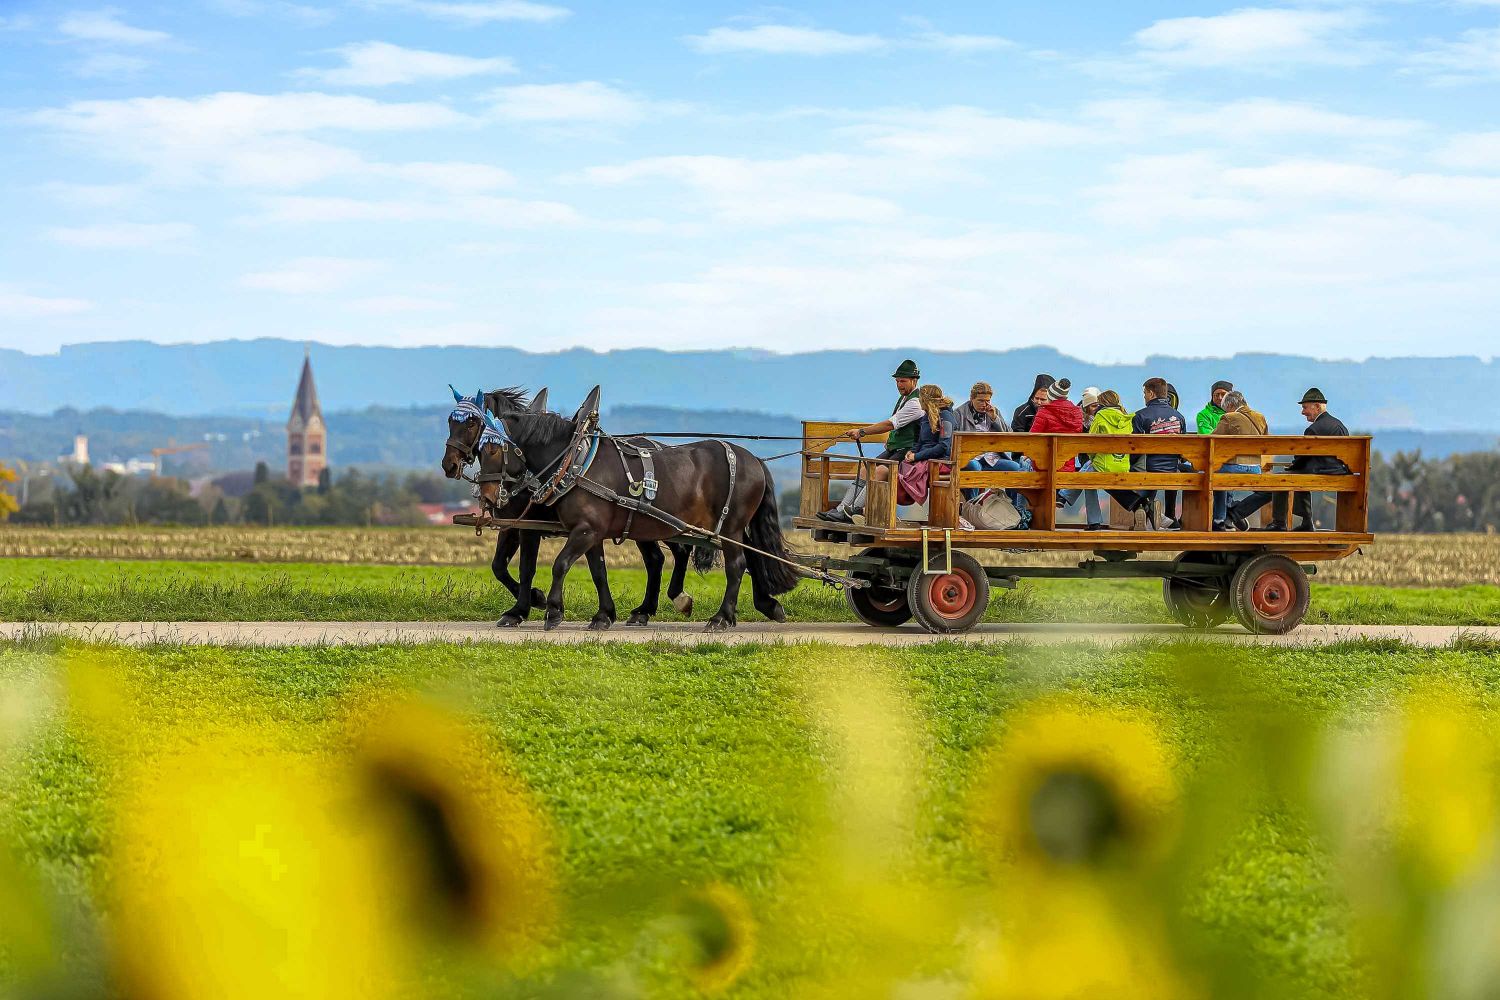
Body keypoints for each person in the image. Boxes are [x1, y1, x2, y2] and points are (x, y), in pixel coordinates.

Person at [1227, 388, 1349, 532]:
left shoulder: (1314, 429)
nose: (1302, 412)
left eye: (1305, 407)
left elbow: (1303, 457)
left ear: (1317, 406)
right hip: (1339, 472)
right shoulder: (1339, 425)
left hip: (1322, 472)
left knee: (1279, 480)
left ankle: (1277, 523)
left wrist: (1292, 467)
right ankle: (1306, 523)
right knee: (1295, 476)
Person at [817, 359, 922, 523]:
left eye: (903, 381)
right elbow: (897, 426)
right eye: (897, 381)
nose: (899, 385)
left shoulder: (915, 403)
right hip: (896, 449)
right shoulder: (905, 398)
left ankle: (851, 512)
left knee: (878, 472)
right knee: (865, 469)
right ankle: (840, 510)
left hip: (907, 452)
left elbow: (890, 424)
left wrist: (861, 432)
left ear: (914, 381)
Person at [1057, 388, 1151, 530]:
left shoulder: (1100, 417)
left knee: (1089, 467)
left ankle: (1064, 496)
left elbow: (1090, 445)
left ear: (1102, 403)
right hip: (1122, 465)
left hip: (1104, 465)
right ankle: (1094, 521)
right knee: (1088, 474)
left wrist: (1093, 458)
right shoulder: (1126, 418)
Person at [1133, 377, 1188, 530]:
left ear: (1151, 393)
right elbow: (1183, 451)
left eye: (1144, 393)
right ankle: (1168, 518)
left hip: (1148, 469)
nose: (1144, 396)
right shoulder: (1179, 417)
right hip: (1171, 468)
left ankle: (1145, 510)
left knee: (1132, 470)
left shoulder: (1140, 416)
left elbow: (1134, 450)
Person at [1210, 390, 1266, 530]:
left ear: (1229, 406)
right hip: (1256, 468)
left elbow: (1213, 440)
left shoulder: (1229, 417)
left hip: (1234, 466)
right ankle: (1233, 513)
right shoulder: (1260, 417)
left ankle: (1219, 519)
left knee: (1215, 474)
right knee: (1267, 491)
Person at [893, 385, 956, 507]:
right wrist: (912, 452)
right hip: (923, 458)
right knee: (897, 469)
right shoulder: (925, 417)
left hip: (940, 461)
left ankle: (876, 509)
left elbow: (943, 446)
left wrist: (916, 456)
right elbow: (920, 441)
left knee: (900, 477)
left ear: (924, 400)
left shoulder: (946, 417)